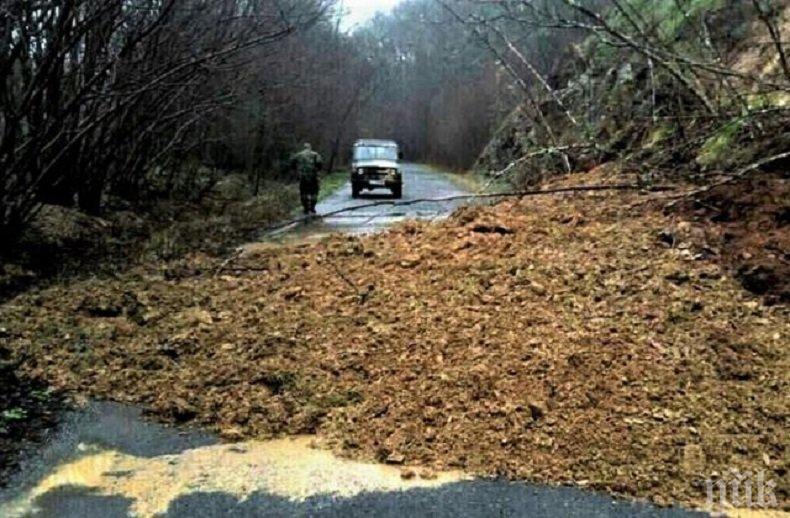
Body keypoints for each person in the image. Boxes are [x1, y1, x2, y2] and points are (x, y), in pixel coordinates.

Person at [291, 143, 323, 215]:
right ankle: (312, 208)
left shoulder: (298, 155)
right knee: (314, 193)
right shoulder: (315, 154)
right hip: (313, 176)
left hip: (303, 177)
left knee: (303, 192)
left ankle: (306, 208)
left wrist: (296, 170)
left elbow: (292, 162)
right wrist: (318, 170)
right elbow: (319, 163)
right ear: (310, 148)